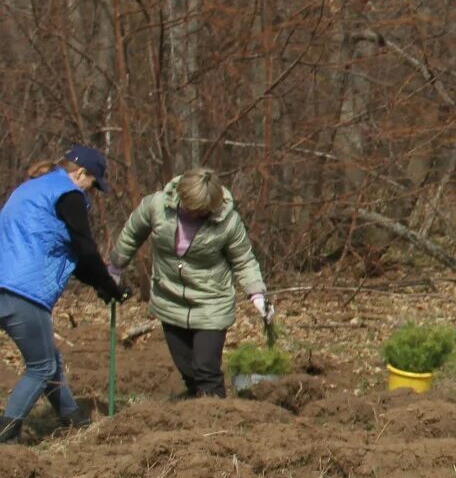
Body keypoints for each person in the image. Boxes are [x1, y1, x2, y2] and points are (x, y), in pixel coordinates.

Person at [108, 167, 270, 399]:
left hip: (211, 302)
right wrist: (115, 267)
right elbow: (131, 234)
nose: (195, 214)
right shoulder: (156, 207)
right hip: (169, 298)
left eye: (202, 211)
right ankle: (194, 416)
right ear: (181, 196)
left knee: (206, 368)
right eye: (192, 209)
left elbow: (243, 260)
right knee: (188, 370)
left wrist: (257, 295)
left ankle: (216, 419)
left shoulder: (227, 221)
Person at [0, 146, 126, 443]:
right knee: (41, 367)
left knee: (48, 359)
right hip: (24, 291)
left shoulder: (31, 190)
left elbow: (72, 255)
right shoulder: (68, 195)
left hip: (6, 281)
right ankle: (5, 435)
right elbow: (84, 247)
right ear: (80, 173)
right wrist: (109, 285)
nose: (91, 192)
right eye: (93, 184)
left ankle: (75, 421)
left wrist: (100, 283)